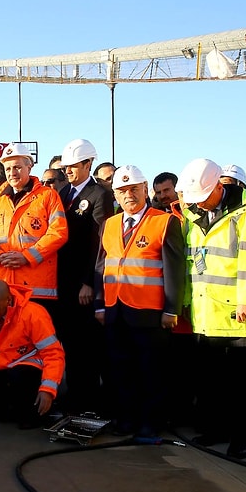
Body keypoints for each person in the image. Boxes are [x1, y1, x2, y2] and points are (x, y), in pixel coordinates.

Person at [178, 158, 246, 458]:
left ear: (220, 185)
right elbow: (190, 262)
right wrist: (184, 301)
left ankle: (240, 438)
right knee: (210, 381)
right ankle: (216, 429)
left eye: (204, 197)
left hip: (238, 316)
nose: (199, 203)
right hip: (205, 314)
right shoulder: (193, 215)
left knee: (241, 384)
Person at [94, 165, 185, 435]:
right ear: (116, 195)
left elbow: (174, 268)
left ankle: (150, 423)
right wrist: (100, 304)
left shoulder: (164, 221)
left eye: (133, 189)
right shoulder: (109, 225)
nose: (128, 195)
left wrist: (171, 309)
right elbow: (101, 266)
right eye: (122, 191)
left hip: (149, 312)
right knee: (121, 370)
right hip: (115, 309)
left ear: (145, 189)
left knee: (151, 372)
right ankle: (126, 419)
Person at [56, 138, 115, 414]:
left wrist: (89, 282)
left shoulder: (99, 194)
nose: (68, 171)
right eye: (66, 167)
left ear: (88, 163)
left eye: (74, 166)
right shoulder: (61, 193)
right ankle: (74, 395)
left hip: (82, 283)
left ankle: (87, 401)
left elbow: (99, 242)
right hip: (62, 281)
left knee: (85, 346)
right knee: (68, 342)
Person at [0, 141, 68, 315]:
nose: (12, 173)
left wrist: (27, 257)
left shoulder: (48, 196)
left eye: (17, 167)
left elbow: (59, 232)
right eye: (8, 169)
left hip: (37, 288)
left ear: (29, 167)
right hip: (3, 286)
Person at [0, 279, 64, 427]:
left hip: (26, 368)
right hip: (0, 365)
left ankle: (36, 406)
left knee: (27, 418)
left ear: (8, 300)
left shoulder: (33, 314)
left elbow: (53, 354)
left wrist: (48, 390)